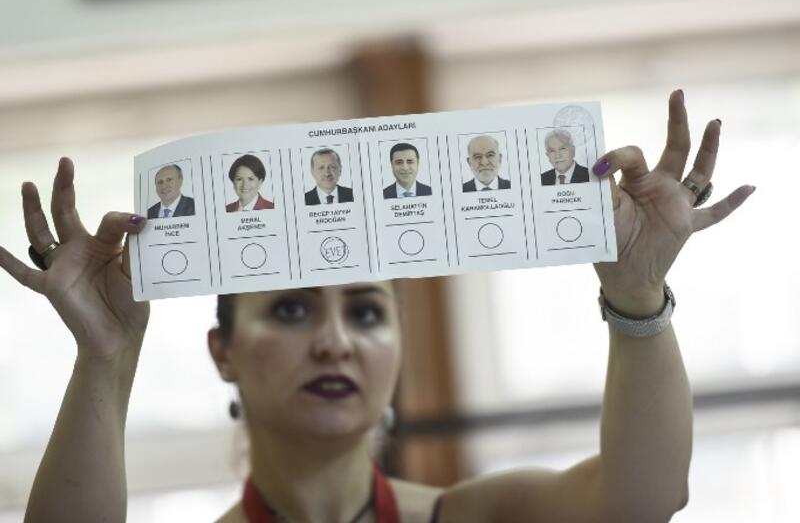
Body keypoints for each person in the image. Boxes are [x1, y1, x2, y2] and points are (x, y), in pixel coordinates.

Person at [0, 91, 755, 522]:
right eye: (291, 312)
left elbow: (646, 498)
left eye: (366, 313)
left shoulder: (468, 519)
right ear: (221, 350)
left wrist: (636, 299)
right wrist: (105, 357)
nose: (336, 343)